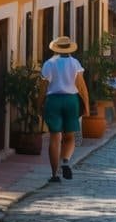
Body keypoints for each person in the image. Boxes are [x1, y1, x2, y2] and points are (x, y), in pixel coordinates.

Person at [38, 35, 89, 183]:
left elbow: (43, 87)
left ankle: (54, 175)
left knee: (55, 138)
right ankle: (65, 161)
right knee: (70, 136)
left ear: (55, 49)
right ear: (69, 49)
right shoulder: (75, 63)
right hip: (71, 100)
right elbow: (81, 86)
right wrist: (85, 104)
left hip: (53, 100)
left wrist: (39, 104)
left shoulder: (49, 63)